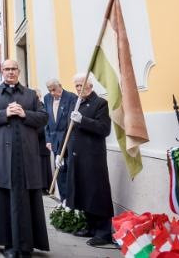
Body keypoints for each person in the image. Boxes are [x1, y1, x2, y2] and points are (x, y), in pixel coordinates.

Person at [0, 59, 50, 257]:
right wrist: (5, 112)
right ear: (2, 71)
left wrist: (24, 113)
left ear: (18, 71)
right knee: (5, 199)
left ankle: (26, 245)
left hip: (26, 157)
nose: (10, 72)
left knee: (26, 200)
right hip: (3, 156)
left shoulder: (30, 94)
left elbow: (44, 117)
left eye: (13, 69)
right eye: (7, 69)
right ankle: (9, 245)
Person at [66, 73, 114, 248]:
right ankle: (91, 227)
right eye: (76, 86)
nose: (79, 88)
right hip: (77, 156)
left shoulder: (100, 103)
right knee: (84, 192)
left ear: (90, 86)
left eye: (81, 85)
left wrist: (83, 120)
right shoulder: (75, 103)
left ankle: (104, 232)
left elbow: (104, 129)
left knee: (96, 193)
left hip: (93, 157)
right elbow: (69, 130)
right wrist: (61, 154)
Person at [44, 79, 77, 201]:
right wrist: (48, 139)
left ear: (60, 86)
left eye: (54, 90)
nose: (52, 93)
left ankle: (71, 201)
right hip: (54, 140)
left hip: (67, 140)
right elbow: (46, 120)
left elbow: (70, 122)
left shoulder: (71, 97)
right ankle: (63, 200)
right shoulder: (47, 98)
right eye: (50, 90)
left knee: (69, 170)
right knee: (59, 170)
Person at [36, 91, 53, 194]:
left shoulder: (43, 108)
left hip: (42, 142)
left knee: (43, 166)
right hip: (37, 142)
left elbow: (44, 126)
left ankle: (45, 187)